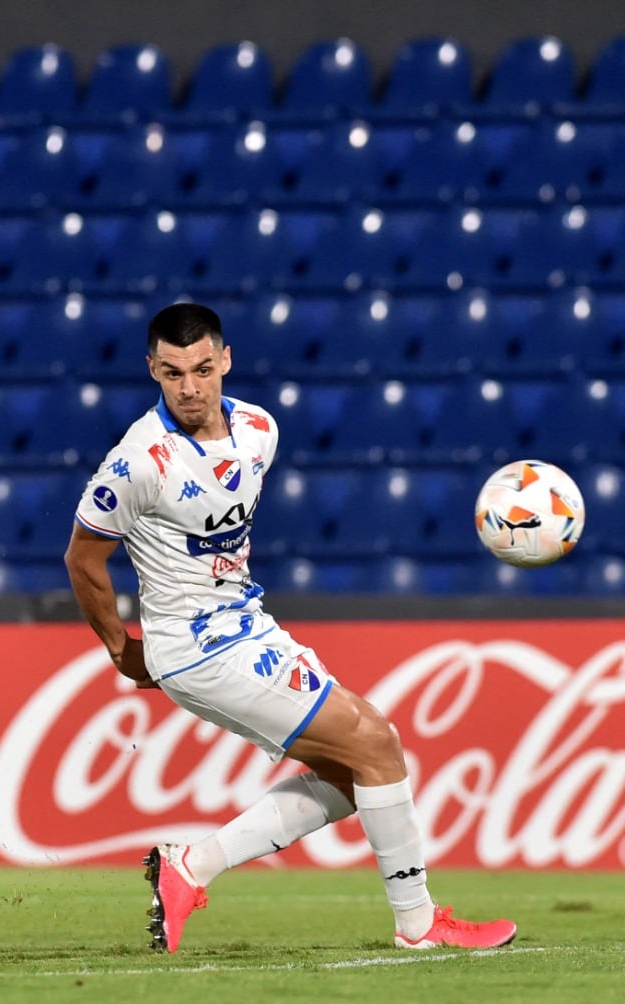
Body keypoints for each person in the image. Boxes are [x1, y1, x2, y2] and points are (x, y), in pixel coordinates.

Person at [64, 301, 517, 954]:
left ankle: (190, 869)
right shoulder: (138, 463)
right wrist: (118, 646)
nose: (189, 388)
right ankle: (419, 925)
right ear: (152, 371)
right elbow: (83, 558)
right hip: (197, 648)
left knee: (353, 774)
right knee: (380, 746)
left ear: (225, 360)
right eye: (171, 373)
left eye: (200, 369)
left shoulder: (258, 431)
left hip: (249, 626)